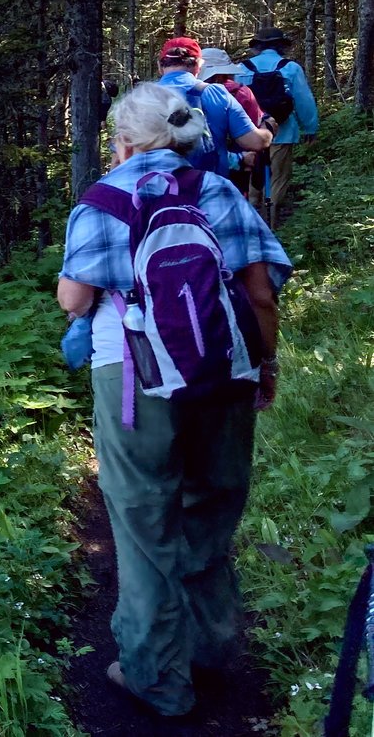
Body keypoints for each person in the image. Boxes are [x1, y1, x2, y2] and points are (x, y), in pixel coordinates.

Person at [57, 83, 292, 718]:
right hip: (223, 369)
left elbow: (75, 299)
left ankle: (157, 676)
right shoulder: (218, 191)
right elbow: (262, 292)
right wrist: (264, 366)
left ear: (125, 141)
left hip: (132, 374)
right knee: (210, 507)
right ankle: (208, 651)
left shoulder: (102, 199)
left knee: (143, 521)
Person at [238, 27, 319, 227]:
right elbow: (303, 100)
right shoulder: (290, 68)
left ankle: (252, 219)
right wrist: (310, 128)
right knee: (279, 178)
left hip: (251, 132)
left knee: (252, 175)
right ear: (281, 45)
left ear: (257, 46)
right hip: (283, 131)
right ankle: (271, 222)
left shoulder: (242, 68)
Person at [155, 37, 270, 177]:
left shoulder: (140, 98)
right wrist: (268, 128)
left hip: (155, 186)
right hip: (207, 185)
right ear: (199, 65)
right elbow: (255, 142)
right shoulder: (216, 93)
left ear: (160, 66)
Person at [199, 47, 275, 197]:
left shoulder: (188, 93)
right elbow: (254, 126)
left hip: (198, 166)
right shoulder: (240, 92)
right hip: (238, 163)